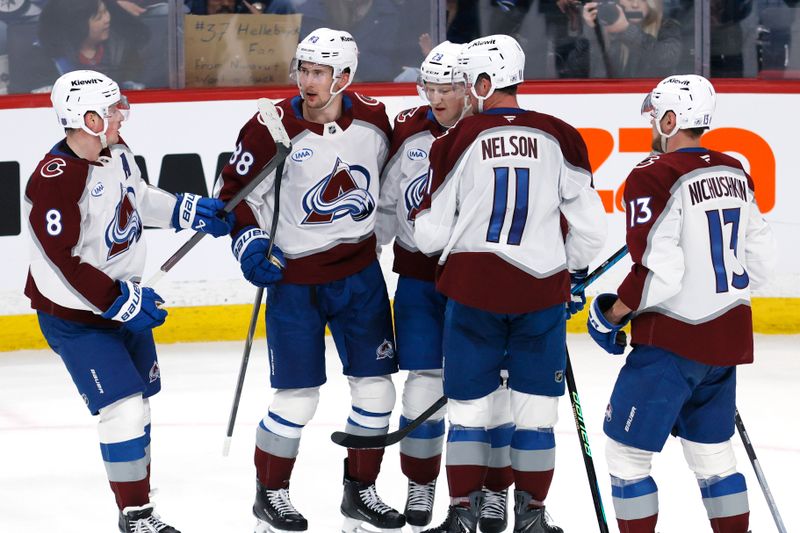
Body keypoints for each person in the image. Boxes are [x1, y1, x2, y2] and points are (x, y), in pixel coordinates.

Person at [24, 69, 234, 533]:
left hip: (122, 303)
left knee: (140, 406)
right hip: (77, 317)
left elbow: (136, 198)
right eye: (112, 108)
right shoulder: (55, 181)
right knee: (122, 408)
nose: (122, 115)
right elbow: (61, 264)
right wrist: (116, 301)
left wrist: (187, 209)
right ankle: (136, 516)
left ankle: (135, 495)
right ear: (86, 116)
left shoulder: (114, 152)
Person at [414, 34, 607, 533]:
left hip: (474, 291)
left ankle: (460, 516)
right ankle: (532, 518)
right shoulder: (561, 135)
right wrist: (572, 272)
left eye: (466, 81)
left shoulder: (456, 139)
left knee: (470, 412)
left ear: (484, 82)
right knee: (537, 415)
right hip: (540, 292)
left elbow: (430, 235)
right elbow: (591, 230)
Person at [214, 27, 404, 533]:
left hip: (360, 277)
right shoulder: (269, 126)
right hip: (294, 282)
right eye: (303, 69)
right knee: (297, 399)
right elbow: (234, 197)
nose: (307, 81)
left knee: (377, 392)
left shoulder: (374, 119)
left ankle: (360, 494)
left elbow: (392, 184)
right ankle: (270, 497)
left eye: (320, 72)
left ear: (345, 76)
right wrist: (250, 243)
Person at [586, 74, 777, 533]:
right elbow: (763, 264)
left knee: (626, 456)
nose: (653, 122)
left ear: (672, 119)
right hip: (725, 342)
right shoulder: (735, 171)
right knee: (712, 457)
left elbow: (659, 272)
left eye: (656, 114)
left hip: (671, 342)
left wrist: (611, 314)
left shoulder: (653, 175)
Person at [376, 41, 516, 533]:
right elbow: (389, 204)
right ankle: (420, 481)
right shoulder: (411, 129)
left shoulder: (496, 133)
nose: (436, 97)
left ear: (471, 87)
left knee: (494, 390)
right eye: (429, 87)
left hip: (483, 283)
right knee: (423, 384)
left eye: (448, 88)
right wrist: (366, 254)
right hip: (420, 278)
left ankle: (495, 492)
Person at [37, 0, 149, 89]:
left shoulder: (123, 50)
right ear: (78, 25)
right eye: (98, 17)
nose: (107, 19)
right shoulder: (48, 59)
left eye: (106, 11)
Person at [578, 0, 682, 77]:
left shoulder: (667, 27)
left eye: (642, 0)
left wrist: (626, 30)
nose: (635, 5)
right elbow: (578, 69)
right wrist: (593, 33)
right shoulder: (606, 27)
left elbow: (666, 60)